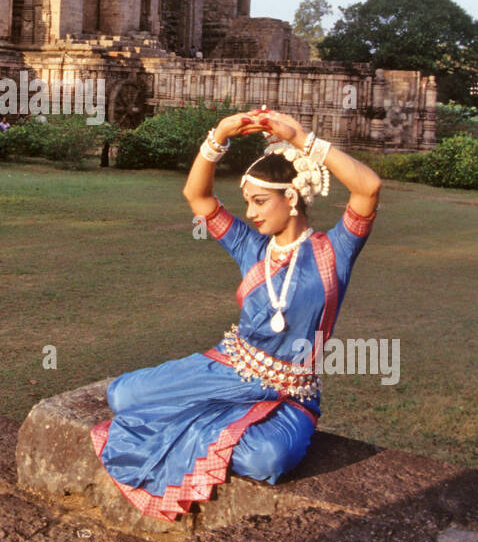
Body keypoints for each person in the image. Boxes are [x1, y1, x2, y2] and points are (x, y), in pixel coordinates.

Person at [92, 106, 382, 521]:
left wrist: (303, 140)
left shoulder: (334, 251)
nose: (251, 213)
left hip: (290, 393)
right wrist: (220, 135)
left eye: (260, 201)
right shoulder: (251, 247)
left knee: (267, 462)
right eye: (248, 202)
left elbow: (368, 187)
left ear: (293, 197)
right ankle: (215, 420)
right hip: (229, 367)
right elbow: (198, 196)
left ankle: (206, 424)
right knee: (122, 396)